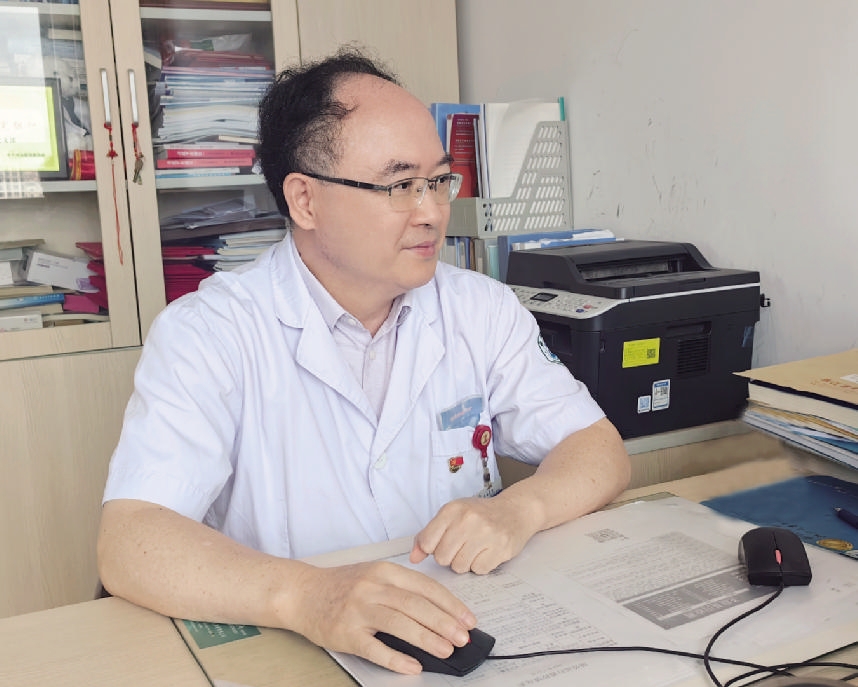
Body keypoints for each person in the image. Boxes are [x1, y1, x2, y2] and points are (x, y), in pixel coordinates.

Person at [97, 48, 631, 675]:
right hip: (288, 652)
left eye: (439, 180)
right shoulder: (210, 332)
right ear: (305, 200)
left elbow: (597, 448)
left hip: (460, 631)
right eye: (400, 186)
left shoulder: (480, 307)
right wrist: (307, 596)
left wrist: (519, 509)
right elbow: (131, 540)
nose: (431, 211)